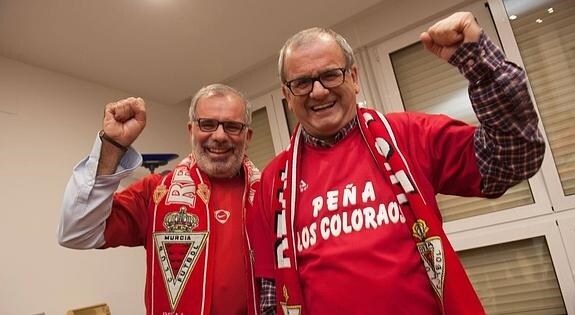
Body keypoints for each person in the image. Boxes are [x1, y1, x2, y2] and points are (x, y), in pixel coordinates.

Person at [249, 11, 545, 315]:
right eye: (302, 83)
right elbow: (271, 293)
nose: (319, 90)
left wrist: (478, 63)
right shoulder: (275, 179)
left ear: (353, 78)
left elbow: (513, 157)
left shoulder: (409, 136)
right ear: (287, 95)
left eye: (330, 74)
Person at [58, 84, 265, 315]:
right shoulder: (155, 192)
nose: (219, 136)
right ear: (191, 131)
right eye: (207, 124)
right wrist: (113, 145)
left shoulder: (272, 194)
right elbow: (76, 232)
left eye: (232, 126)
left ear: (247, 137)